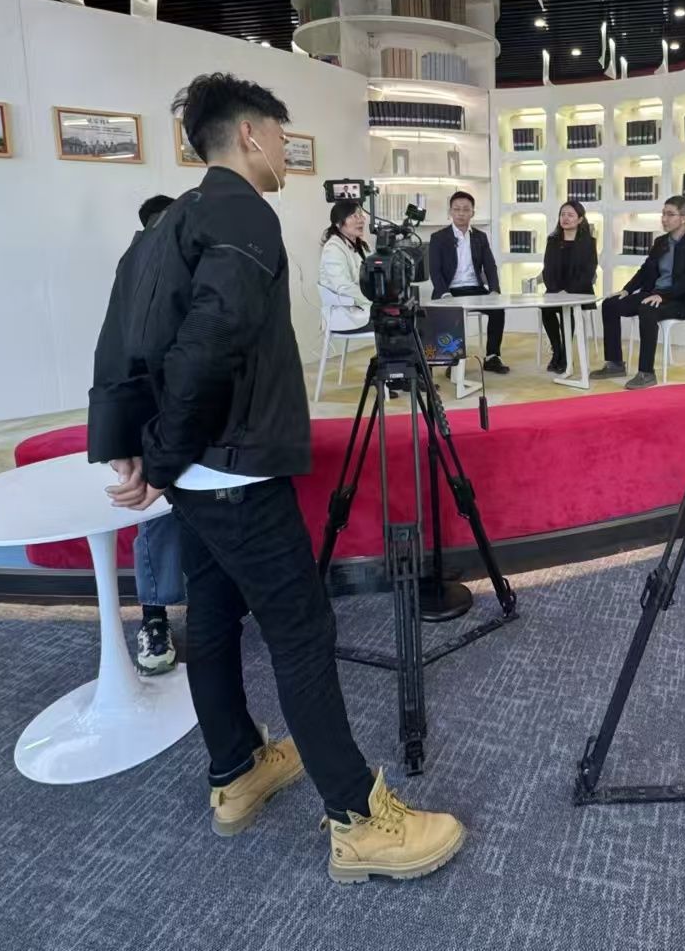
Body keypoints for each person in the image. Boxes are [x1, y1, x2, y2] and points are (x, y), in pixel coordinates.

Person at [88, 72, 463, 880]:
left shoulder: (168, 222)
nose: (288, 151)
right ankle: (358, 821)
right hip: (233, 472)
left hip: (199, 476)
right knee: (301, 631)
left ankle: (235, 769)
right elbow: (210, 343)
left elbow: (119, 336)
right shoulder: (243, 212)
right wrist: (158, 453)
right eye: (283, 136)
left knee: (214, 617)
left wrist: (128, 444)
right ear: (250, 134)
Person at [132, 192, 183, 675]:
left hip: (205, 419)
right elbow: (119, 366)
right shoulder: (135, 281)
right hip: (157, 421)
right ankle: (154, 617)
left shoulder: (202, 271)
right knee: (158, 516)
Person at [590, 196, 685, 391]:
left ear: (684, 218)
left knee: (647, 309)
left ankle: (646, 373)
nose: (664, 219)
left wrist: (664, 295)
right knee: (610, 304)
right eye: (663, 214)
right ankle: (615, 363)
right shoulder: (661, 242)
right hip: (653, 294)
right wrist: (627, 289)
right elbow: (645, 270)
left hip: (680, 300)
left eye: (670, 214)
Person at [428, 190, 508, 373]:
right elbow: (435, 271)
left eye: (466, 209)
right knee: (451, 315)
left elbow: (490, 266)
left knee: (498, 310)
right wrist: (444, 294)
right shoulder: (438, 238)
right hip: (450, 290)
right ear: (450, 212)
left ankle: (492, 357)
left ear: (473, 212)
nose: (461, 213)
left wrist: (494, 290)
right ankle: (452, 362)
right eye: (456, 209)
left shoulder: (480, 237)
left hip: (474, 288)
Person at [541, 200, 597, 374]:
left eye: (570, 215)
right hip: (555, 291)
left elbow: (588, 272)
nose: (565, 218)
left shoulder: (588, 242)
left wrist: (568, 291)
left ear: (580, 219)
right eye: (562, 214)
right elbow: (547, 269)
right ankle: (557, 351)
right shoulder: (552, 241)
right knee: (546, 310)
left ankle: (566, 355)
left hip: (579, 291)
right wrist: (555, 290)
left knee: (569, 310)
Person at [318, 198, 371, 333]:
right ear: (338, 223)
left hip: (360, 306)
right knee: (394, 323)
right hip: (345, 315)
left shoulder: (361, 245)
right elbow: (343, 287)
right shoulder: (333, 248)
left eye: (361, 215)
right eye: (354, 216)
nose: (360, 220)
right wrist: (372, 299)